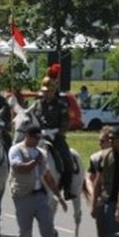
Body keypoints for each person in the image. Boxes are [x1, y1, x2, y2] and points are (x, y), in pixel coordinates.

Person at [9, 124, 67, 237]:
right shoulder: (16, 150)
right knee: (25, 232)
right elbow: (18, 168)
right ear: (28, 136)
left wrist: (58, 196)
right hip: (23, 195)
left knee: (48, 230)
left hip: (40, 195)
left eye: (39, 138)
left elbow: (47, 175)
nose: (37, 141)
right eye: (36, 138)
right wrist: (35, 161)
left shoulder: (40, 153)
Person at [33, 63, 75, 199]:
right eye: (44, 91)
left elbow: (65, 122)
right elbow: (32, 119)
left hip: (56, 137)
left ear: (53, 91)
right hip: (39, 137)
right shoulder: (37, 105)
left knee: (67, 160)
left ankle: (67, 188)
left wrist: (56, 131)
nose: (46, 93)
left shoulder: (61, 105)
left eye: (49, 91)